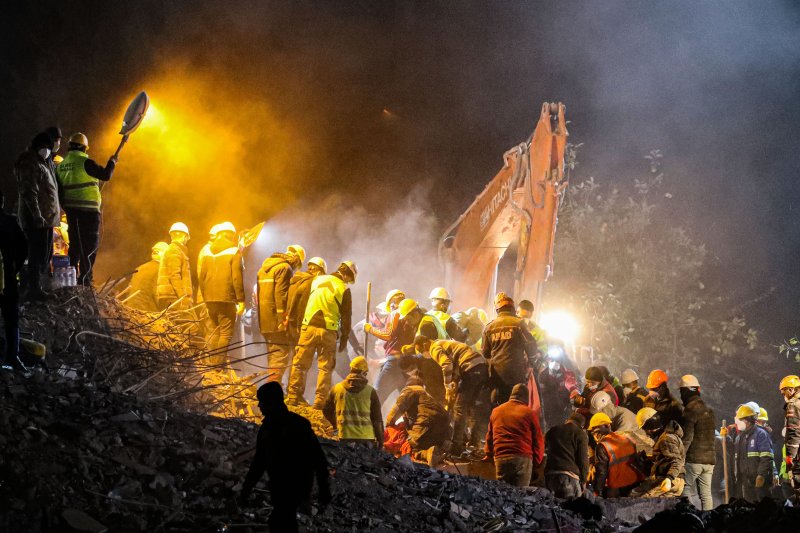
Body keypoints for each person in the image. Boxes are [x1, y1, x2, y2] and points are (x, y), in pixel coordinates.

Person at [238, 382, 331, 533]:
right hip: (286, 488)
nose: (259, 405)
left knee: (280, 521)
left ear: (272, 402)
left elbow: (318, 460)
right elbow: (259, 462)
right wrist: (246, 489)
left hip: (292, 487)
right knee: (284, 521)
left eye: (262, 401)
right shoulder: (290, 425)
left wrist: (323, 490)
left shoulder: (284, 427)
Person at [286, 261, 355, 408]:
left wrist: (298, 325)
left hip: (308, 327)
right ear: (346, 275)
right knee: (325, 368)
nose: (348, 282)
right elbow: (346, 317)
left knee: (300, 364)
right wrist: (344, 338)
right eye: (349, 279)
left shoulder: (316, 280)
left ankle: (293, 397)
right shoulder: (344, 289)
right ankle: (319, 402)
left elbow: (302, 302)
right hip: (328, 331)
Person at [55, 132, 117, 285]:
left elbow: (59, 190)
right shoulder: (86, 162)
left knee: (75, 244)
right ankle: (85, 279)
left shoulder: (60, 166)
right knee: (90, 246)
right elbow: (106, 175)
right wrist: (112, 162)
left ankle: (70, 278)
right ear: (84, 148)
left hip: (71, 211)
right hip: (89, 212)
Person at [414, 336, 489, 455]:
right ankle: (474, 442)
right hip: (482, 366)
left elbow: (447, 364)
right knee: (471, 406)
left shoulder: (434, 347)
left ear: (424, 344)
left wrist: (447, 385)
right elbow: (455, 367)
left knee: (459, 408)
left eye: (421, 351)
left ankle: (457, 447)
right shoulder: (445, 343)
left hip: (471, 368)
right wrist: (454, 383)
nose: (423, 354)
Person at [15, 132, 59, 299]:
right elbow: (29, 191)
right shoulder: (29, 162)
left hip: (45, 219)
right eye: (47, 147)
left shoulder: (41, 162)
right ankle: (33, 289)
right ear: (39, 146)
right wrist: (37, 215)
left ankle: (38, 287)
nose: (48, 151)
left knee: (44, 255)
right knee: (36, 255)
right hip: (36, 220)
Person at [257, 244, 305, 384]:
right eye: (298, 264)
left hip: (264, 320)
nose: (296, 268)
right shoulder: (285, 268)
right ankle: (273, 386)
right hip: (276, 321)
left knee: (273, 354)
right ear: (296, 259)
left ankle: (273, 384)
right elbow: (281, 296)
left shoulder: (263, 269)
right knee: (280, 354)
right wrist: (283, 320)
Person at [198, 222, 245, 366]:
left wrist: (205, 297)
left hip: (209, 299)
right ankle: (218, 366)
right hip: (226, 299)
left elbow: (201, 277)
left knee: (214, 331)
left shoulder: (207, 251)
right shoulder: (234, 251)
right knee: (225, 333)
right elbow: (236, 278)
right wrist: (241, 300)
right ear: (231, 234)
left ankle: (211, 364)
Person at [481, 292, 538, 405]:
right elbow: (531, 345)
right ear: (512, 308)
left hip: (497, 375)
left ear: (497, 309)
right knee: (517, 403)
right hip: (516, 373)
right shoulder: (519, 324)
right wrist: (532, 362)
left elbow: (485, 353)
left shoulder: (489, 327)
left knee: (498, 404)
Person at [484, 383, 543, 487]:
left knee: (503, 492)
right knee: (520, 492)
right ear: (526, 397)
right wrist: (537, 462)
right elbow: (538, 440)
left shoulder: (496, 411)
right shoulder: (529, 413)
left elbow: (490, 436)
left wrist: (488, 454)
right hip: (522, 458)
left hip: (500, 458)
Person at [366, 297, 421, 405]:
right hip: (408, 362)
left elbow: (388, 335)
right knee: (408, 398)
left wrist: (370, 329)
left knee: (378, 394)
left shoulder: (396, 314)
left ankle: (371, 415)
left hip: (395, 362)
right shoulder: (414, 317)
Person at [386, 375, 450, 466]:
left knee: (408, 447)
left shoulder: (410, 390)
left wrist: (388, 427)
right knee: (424, 443)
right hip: (444, 433)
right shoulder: (427, 395)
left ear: (408, 384)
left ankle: (426, 455)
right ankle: (437, 452)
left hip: (427, 426)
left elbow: (394, 414)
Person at [322, 356, 383, 448]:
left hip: (344, 437)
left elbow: (326, 410)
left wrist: (335, 426)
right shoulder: (370, 391)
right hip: (366, 439)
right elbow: (377, 420)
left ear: (351, 369)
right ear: (363, 372)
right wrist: (380, 440)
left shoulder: (337, 389)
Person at [677, 375, 716, 510]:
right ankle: (709, 519)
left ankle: (687, 516)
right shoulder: (709, 409)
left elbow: (687, 437)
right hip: (709, 460)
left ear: (685, 391)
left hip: (694, 460)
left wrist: (679, 457)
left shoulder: (690, 409)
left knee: (684, 490)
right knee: (706, 495)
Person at [0, 190, 28, 370]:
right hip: (8, 279)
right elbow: (24, 248)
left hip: (7, 277)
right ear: (2, 203)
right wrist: (13, 269)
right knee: (11, 319)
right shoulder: (10, 223)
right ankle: (12, 357)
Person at [631, 410, 686, 498]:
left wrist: (669, 478)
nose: (646, 433)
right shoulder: (668, 436)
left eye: (645, 429)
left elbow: (676, 460)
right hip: (674, 479)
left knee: (639, 499)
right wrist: (650, 458)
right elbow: (667, 457)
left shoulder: (666, 438)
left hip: (669, 479)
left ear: (650, 426)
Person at [589, 412, 645, 497]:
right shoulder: (627, 438)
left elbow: (601, 472)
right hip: (634, 482)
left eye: (595, 430)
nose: (594, 433)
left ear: (606, 426)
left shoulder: (602, 446)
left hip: (617, 486)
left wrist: (597, 491)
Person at [732, 402, 773, 502]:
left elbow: (767, 457)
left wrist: (761, 475)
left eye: (740, 420)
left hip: (759, 481)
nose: (738, 422)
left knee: (762, 505)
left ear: (747, 421)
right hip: (745, 481)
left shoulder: (761, 434)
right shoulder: (739, 438)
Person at [544, 412, 589, 499]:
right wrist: (583, 481)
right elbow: (583, 459)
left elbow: (544, 450)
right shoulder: (580, 434)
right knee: (571, 505)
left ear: (568, 420)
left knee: (552, 506)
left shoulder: (552, 431)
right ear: (582, 425)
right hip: (569, 478)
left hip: (550, 475)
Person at [286, 256, 327, 346]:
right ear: (319, 272)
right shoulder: (310, 283)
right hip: (301, 326)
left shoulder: (297, 280)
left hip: (291, 323)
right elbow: (303, 306)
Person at [538, 344, 579, 430]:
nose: (554, 362)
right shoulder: (542, 376)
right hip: (549, 411)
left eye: (557, 360)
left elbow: (573, 387)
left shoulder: (567, 374)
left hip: (563, 410)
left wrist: (574, 394)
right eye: (552, 360)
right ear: (548, 360)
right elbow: (541, 394)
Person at [157, 223, 193, 310]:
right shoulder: (174, 251)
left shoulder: (175, 250)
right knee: (187, 318)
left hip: (172, 296)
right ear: (184, 236)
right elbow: (174, 275)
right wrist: (183, 297)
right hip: (173, 297)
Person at [123, 241, 168, 312]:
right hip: (146, 310)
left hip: (131, 309)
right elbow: (157, 295)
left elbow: (129, 290)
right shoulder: (160, 270)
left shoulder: (140, 268)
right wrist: (165, 308)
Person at [779, 375, 800, 497]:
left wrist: (790, 458)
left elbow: (794, 433)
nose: (784, 396)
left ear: (792, 389)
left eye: (784, 392)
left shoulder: (794, 405)